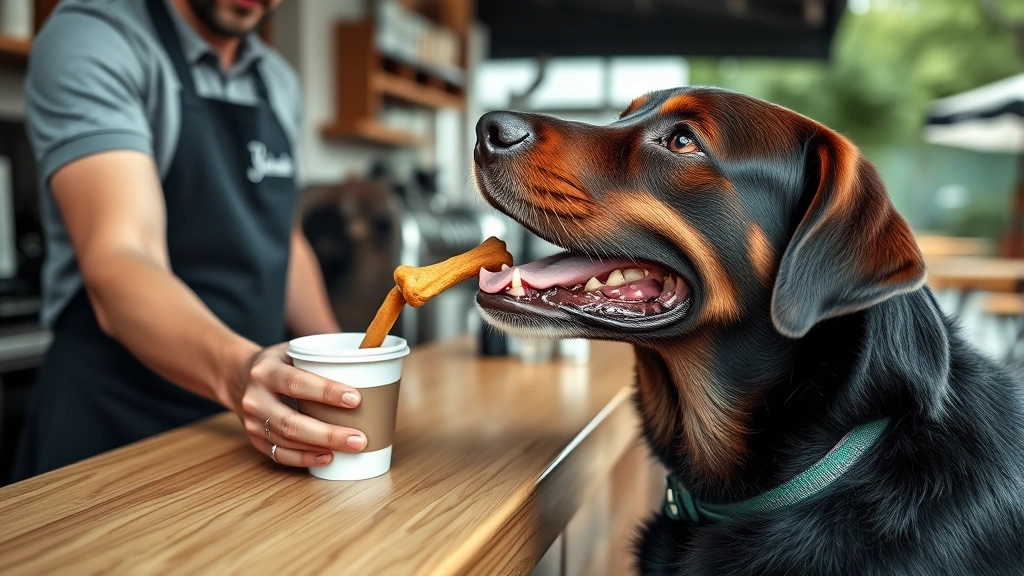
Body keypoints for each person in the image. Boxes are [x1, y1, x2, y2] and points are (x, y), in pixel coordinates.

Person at [9, 0, 368, 482]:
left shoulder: (278, 81)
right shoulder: (95, 38)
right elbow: (121, 256)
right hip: (114, 429)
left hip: (248, 430)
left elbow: (285, 242)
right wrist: (240, 370)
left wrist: (347, 366)